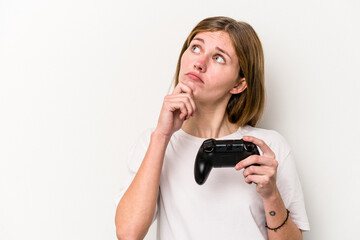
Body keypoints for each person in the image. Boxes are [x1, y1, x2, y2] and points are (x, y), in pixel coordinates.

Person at [115, 16, 310, 240]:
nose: (200, 62)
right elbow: (128, 234)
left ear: (239, 84)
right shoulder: (154, 143)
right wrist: (162, 135)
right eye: (196, 47)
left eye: (218, 57)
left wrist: (271, 195)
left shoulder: (268, 148)